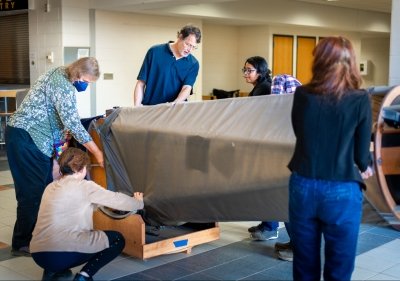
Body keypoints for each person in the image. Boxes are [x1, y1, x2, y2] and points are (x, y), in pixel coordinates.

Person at [288, 36, 374, 280]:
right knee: (339, 266)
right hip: (342, 189)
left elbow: (300, 134)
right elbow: (360, 153)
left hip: (302, 184)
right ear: (351, 63)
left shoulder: (302, 94)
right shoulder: (360, 98)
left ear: (320, 61)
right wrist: (365, 165)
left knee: (304, 264)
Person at [5, 57, 104, 257]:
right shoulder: (63, 85)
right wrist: (97, 152)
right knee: (32, 192)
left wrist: (57, 155)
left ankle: (36, 234)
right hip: (26, 138)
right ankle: (22, 241)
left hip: (34, 139)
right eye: (87, 81)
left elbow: (59, 121)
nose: (87, 86)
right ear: (78, 74)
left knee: (43, 189)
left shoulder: (61, 73)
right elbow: (74, 124)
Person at [30, 147, 144, 281]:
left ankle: (52, 272)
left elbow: (72, 207)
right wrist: (138, 202)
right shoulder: (85, 186)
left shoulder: (50, 187)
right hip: (61, 253)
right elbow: (118, 200)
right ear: (82, 168)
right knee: (117, 239)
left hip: (38, 254)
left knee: (57, 235)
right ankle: (83, 276)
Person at [242, 56, 278, 240]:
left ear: (261, 72)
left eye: (250, 70)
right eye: (245, 70)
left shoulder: (263, 88)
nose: (246, 74)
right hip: (263, 140)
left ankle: (271, 227)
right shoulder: (261, 86)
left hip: (265, 143)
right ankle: (267, 223)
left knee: (266, 186)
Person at [133, 24, 201, 106]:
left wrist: (174, 105)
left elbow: (187, 88)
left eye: (193, 47)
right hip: (150, 108)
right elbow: (141, 83)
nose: (190, 49)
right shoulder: (154, 52)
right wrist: (137, 107)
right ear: (180, 37)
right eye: (188, 44)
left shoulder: (193, 63)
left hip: (175, 110)